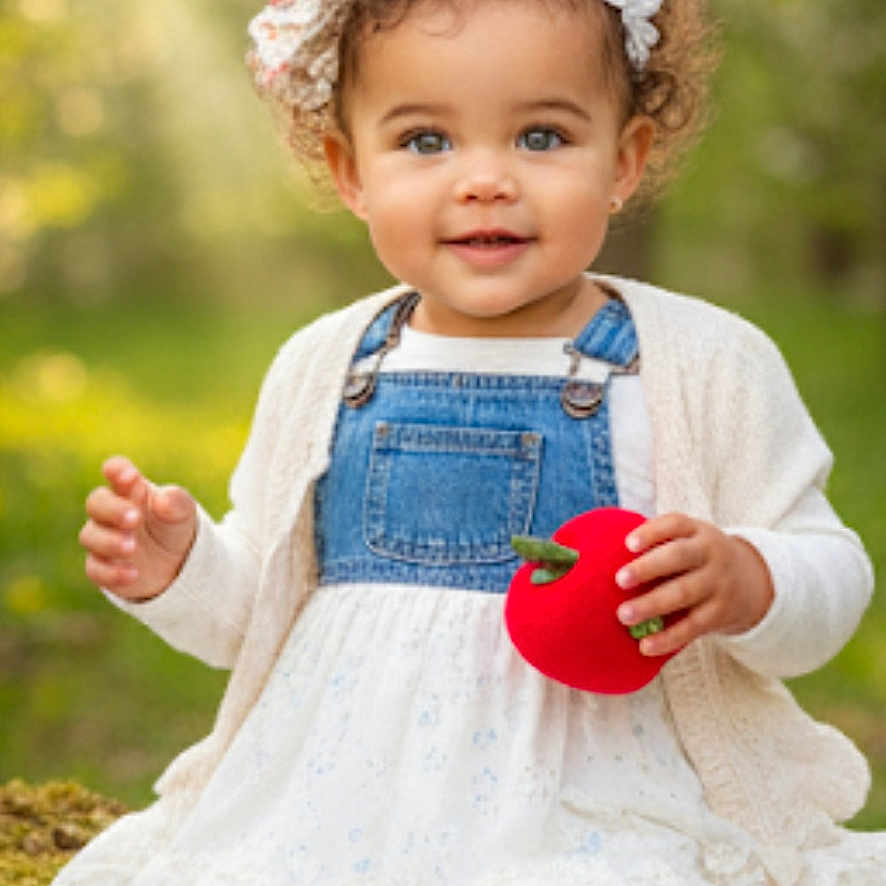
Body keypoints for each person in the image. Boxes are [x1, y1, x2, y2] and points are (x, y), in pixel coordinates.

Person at [56, 0, 884, 882]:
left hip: (596, 805)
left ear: (624, 160)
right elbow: (257, 618)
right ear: (351, 172)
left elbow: (831, 572)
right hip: (336, 804)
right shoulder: (324, 365)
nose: (484, 180)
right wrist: (180, 570)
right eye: (424, 142)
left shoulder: (704, 364)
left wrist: (753, 578)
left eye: (541, 137)